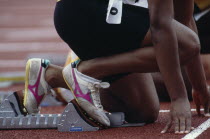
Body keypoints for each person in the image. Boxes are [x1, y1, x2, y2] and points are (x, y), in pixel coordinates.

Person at [22, 0, 210, 134]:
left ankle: (52, 76)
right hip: (83, 10)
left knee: (143, 110)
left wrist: (199, 87)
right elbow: (160, 26)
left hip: (103, 15)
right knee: (186, 45)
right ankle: (85, 71)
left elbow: (185, 20)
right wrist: (178, 98)